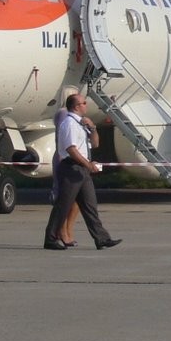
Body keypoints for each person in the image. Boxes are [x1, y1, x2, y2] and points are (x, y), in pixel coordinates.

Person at [43, 93, 121, 251]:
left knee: (90, 205)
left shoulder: (82, 123)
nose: (86, 105)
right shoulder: (69, 123)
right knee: (63, 205)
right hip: (71, 167)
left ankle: (101, 238)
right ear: (76, 106)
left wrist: (92, 128)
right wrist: (87, 163)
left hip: (82, 169)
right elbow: (70, 149)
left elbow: (95, 143)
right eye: (84, 103)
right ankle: (50, 238)